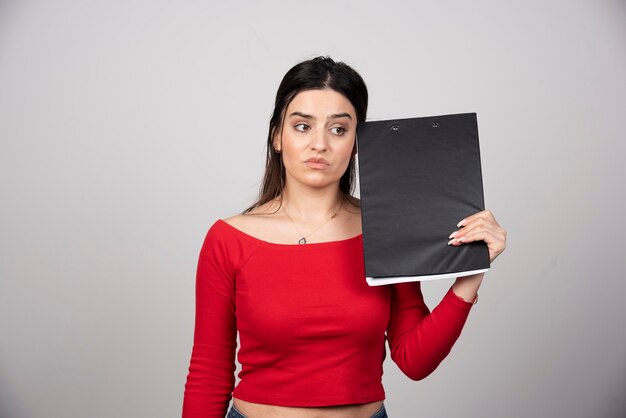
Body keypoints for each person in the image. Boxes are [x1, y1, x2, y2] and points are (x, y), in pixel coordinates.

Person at [182, 56, 507, 418]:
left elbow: (415, 360)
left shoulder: (387, 228)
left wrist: (471, 274)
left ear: (357, 142)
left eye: (338, 129)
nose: (319, 144)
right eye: (302, 126)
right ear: (277, 136)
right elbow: (209, 371)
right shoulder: (229, 239)